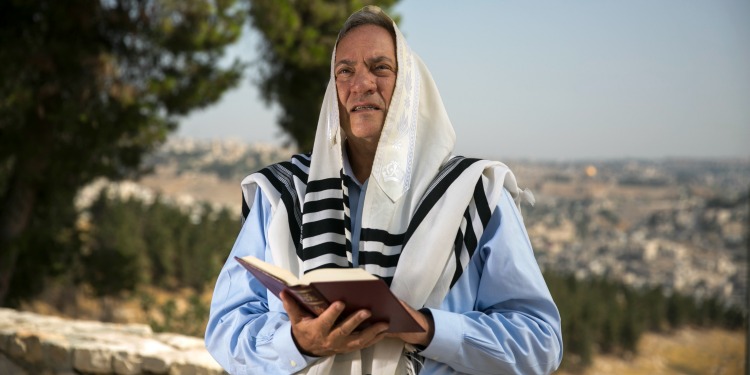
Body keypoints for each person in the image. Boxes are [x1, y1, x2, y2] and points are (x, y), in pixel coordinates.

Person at [205, 6, 562, 375]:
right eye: (345, 71)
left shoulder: (473, 195)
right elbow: (225, 330)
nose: (361, 84)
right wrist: (299, 344)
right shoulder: (281, 196)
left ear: (409, 86)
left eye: (380, 68)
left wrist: (426, 328)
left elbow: (540, 342)